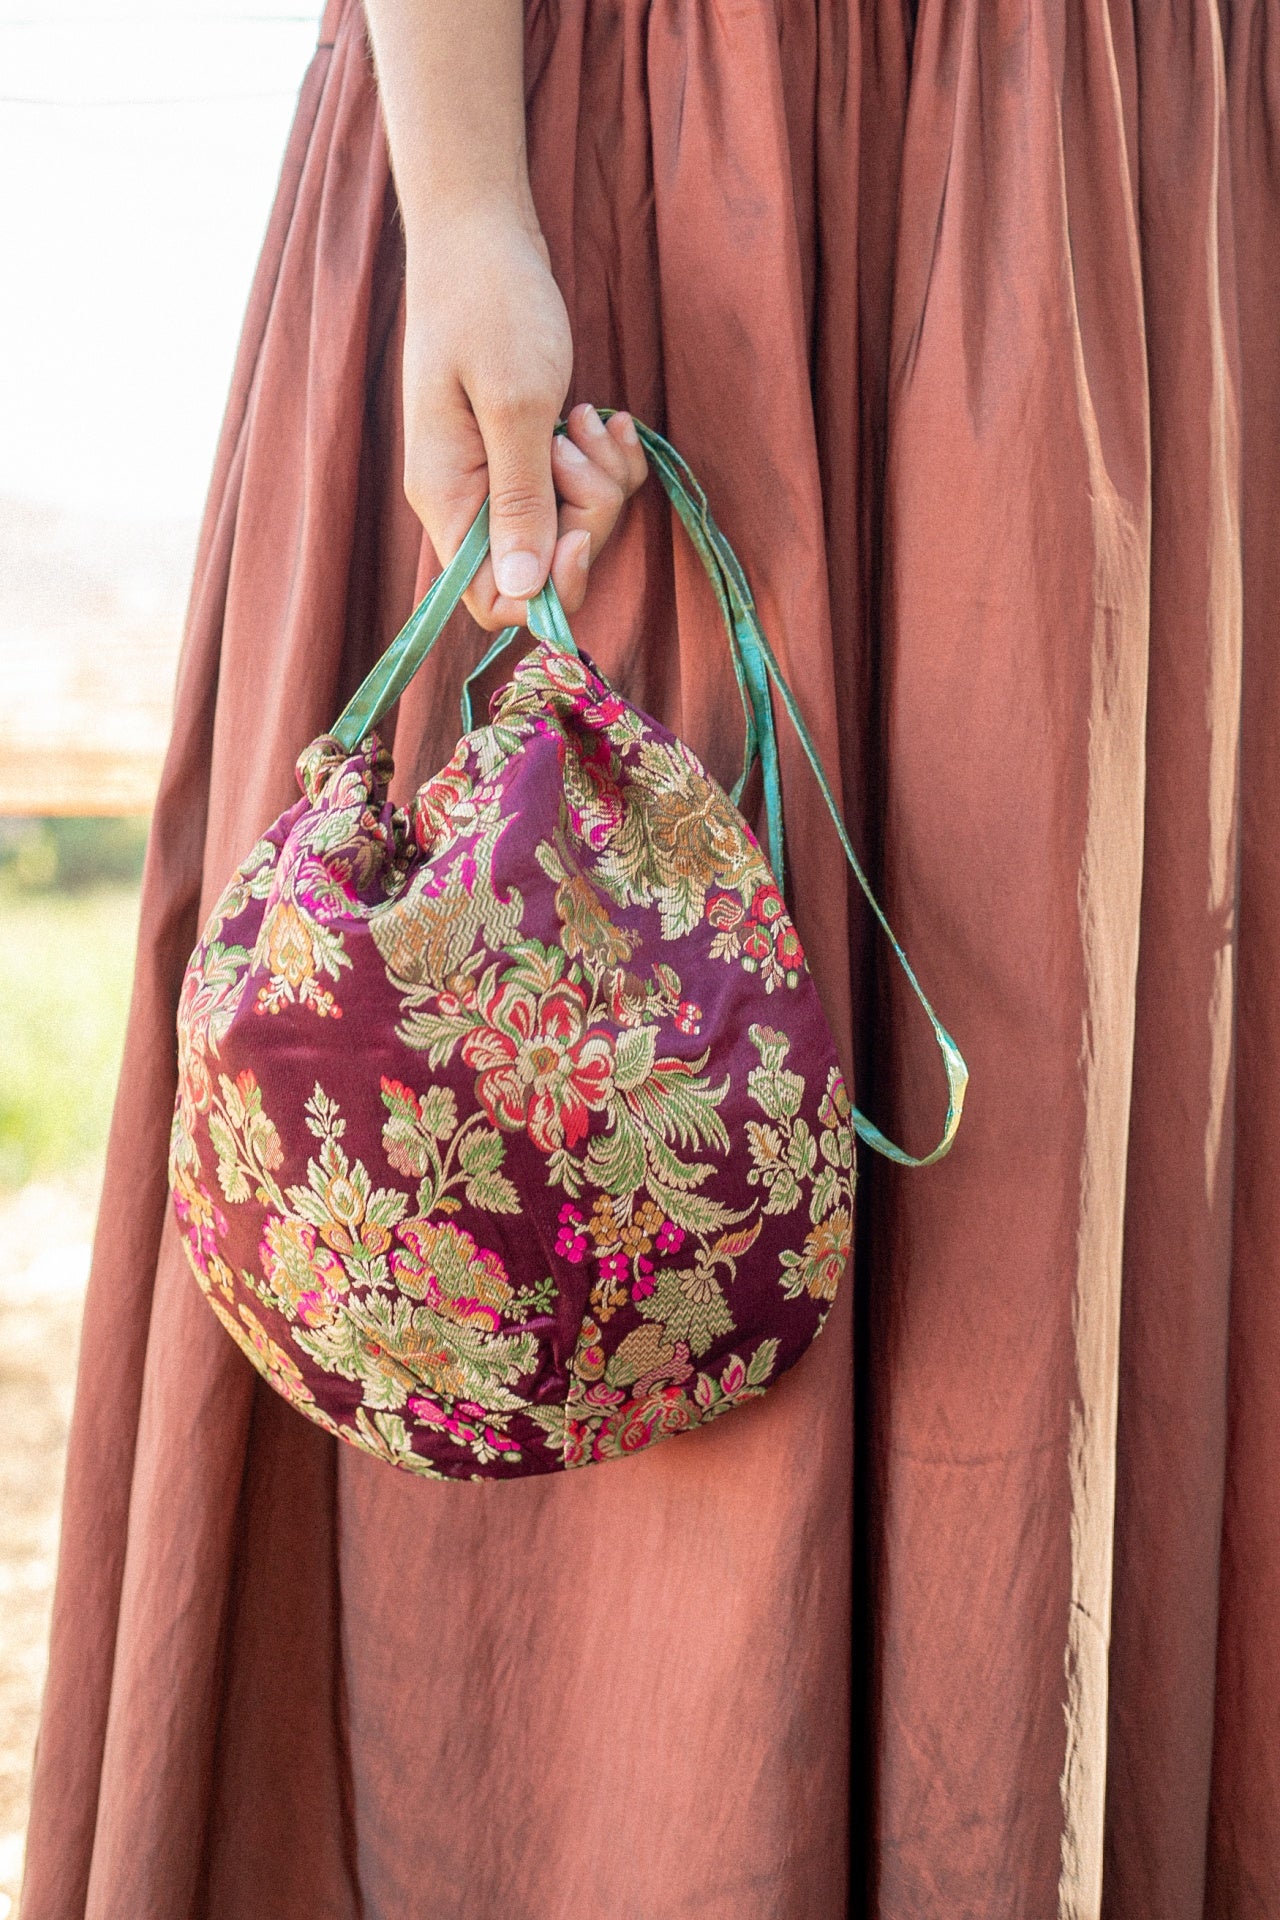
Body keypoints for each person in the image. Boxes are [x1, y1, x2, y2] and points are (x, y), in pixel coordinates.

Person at [19, 2, 1280, 1916]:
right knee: (530, 1135)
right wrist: (459, 201)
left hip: (1119, 184)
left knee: (1057, 1211)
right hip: (645, 158)